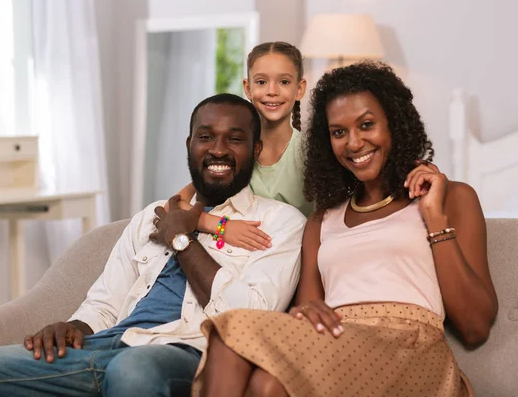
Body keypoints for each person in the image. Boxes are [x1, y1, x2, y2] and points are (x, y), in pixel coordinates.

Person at [0, 93, 307, 396]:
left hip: (183, 352)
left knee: (133, 370)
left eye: (235, 139)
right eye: (206, 137)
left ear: (256, 151)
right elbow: (104, 302)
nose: (218, 150)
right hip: (101, 348)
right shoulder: (152, 215)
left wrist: (182, 238)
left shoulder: (280, 223)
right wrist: (74, 325)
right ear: (190, 144)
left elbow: (247, 319)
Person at [193, 62, 498, 397]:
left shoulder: (452, 197)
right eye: (339, 132)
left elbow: (475, 326)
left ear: (394, 123)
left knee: (234, 329)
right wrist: (305, 310)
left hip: (410, 352)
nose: (354, 143)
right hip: (337, 343)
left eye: (366, 125)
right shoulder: (321, 221)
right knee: (262, 379)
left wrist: (434, 217)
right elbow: (308, 311)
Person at [172, 42, 312, 252]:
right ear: (248, 88)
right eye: (262, 82)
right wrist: (221, 227)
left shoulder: (312, 152)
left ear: (299, 88)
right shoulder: (234, 152)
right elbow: (174, 207)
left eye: (283, 81)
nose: (272, 91)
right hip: (239, 259)